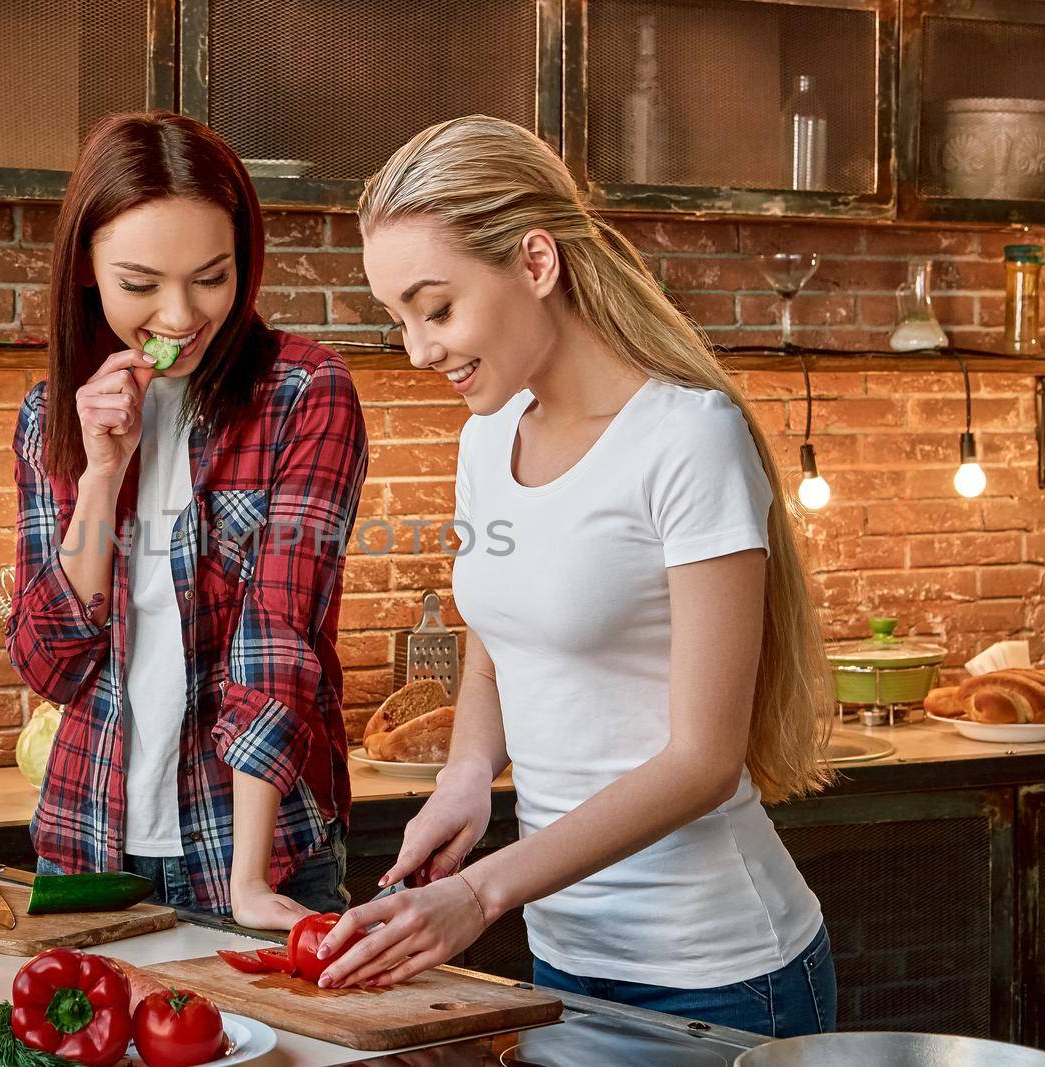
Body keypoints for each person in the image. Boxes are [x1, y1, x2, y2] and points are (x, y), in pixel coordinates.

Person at [315, 115, 837, 1038]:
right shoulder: (486, 439)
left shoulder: (687, 438)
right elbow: (495, 636)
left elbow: (704, 761)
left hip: (718, 973)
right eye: (398, 318)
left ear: (536, 263)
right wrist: (469, 771)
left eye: (436, 308)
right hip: (567, 959)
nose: (418, 348)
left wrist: (479, 895)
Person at [5, 111, 368, 928]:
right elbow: (48, 665)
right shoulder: (49, 417)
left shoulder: (304, 393)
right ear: (87, 271)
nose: (178, 315)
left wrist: (246, 880)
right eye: (141, 284)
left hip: (257, 853)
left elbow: (275, 642)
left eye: (211, 276)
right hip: (87, 846)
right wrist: (102, 475)